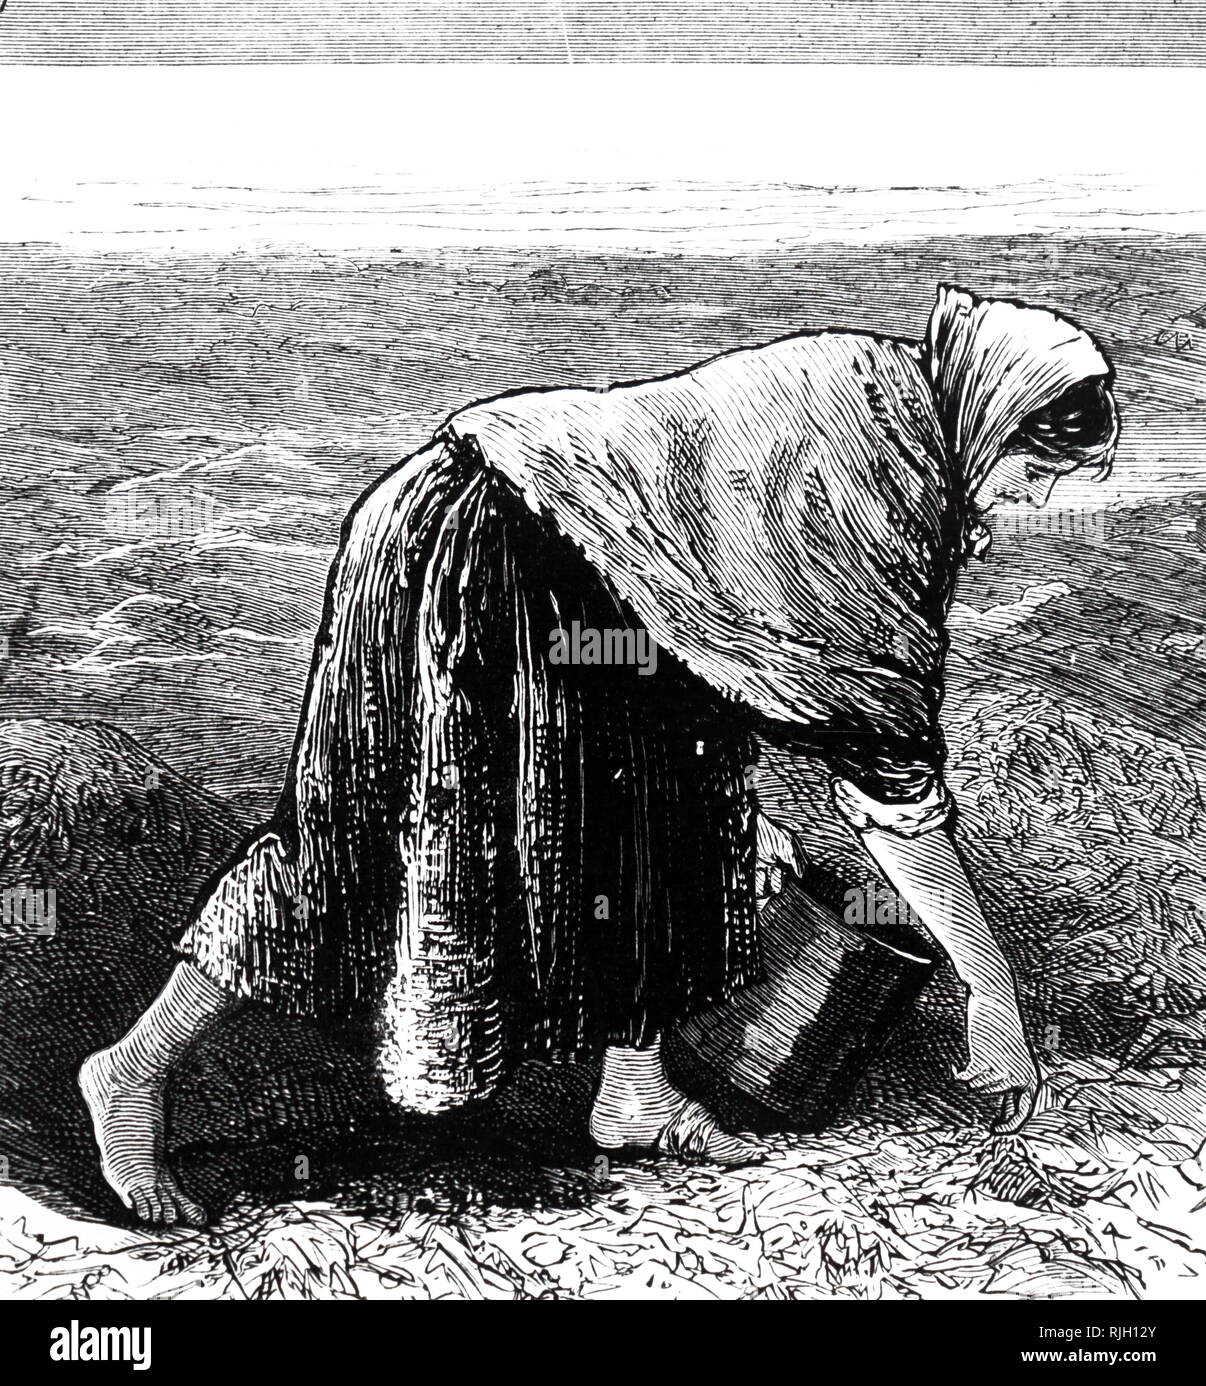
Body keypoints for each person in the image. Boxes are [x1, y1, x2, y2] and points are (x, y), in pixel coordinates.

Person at [80, 285, 1119, 1225]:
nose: (1030, 502)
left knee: (678, 814)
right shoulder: (868, 469)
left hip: (610, 591)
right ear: (992, 416)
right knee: (371, 839)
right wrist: (992, 992)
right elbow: (892, 786)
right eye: (1035, 472)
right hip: (480, 545)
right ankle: (132, 1067)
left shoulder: (903, 418)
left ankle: (634, 1090)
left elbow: (742, 596)